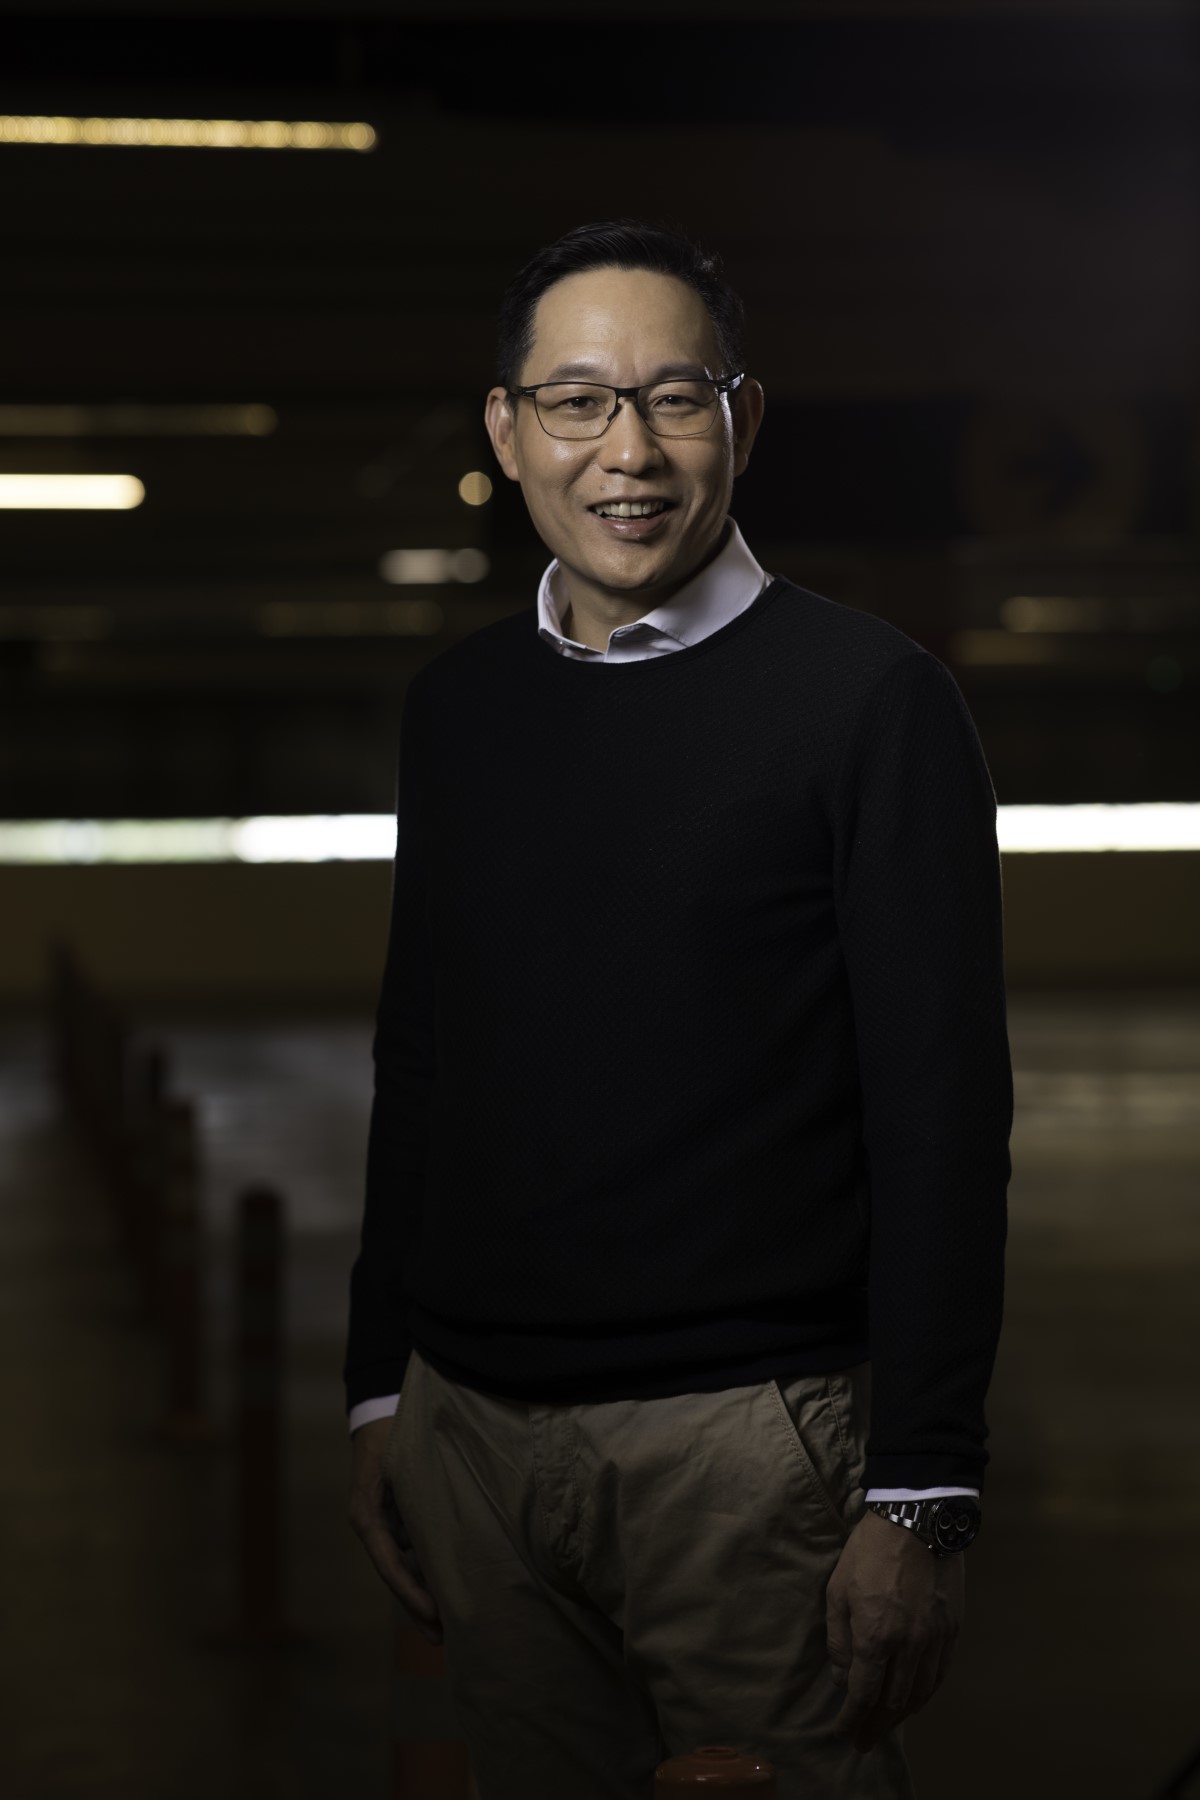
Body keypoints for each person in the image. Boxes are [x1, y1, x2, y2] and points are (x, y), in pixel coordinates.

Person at [345, 218, 1012, 1800]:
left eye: (676, 397)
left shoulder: (869, 704)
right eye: (576, 403)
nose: (626, 451)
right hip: (475, 1437)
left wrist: (919, 1490)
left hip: (748, 1447)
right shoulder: (459, 711)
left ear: (746, 419)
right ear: (507, 434)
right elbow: (421, 1055)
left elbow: (943, 1111)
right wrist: (385, 1385)